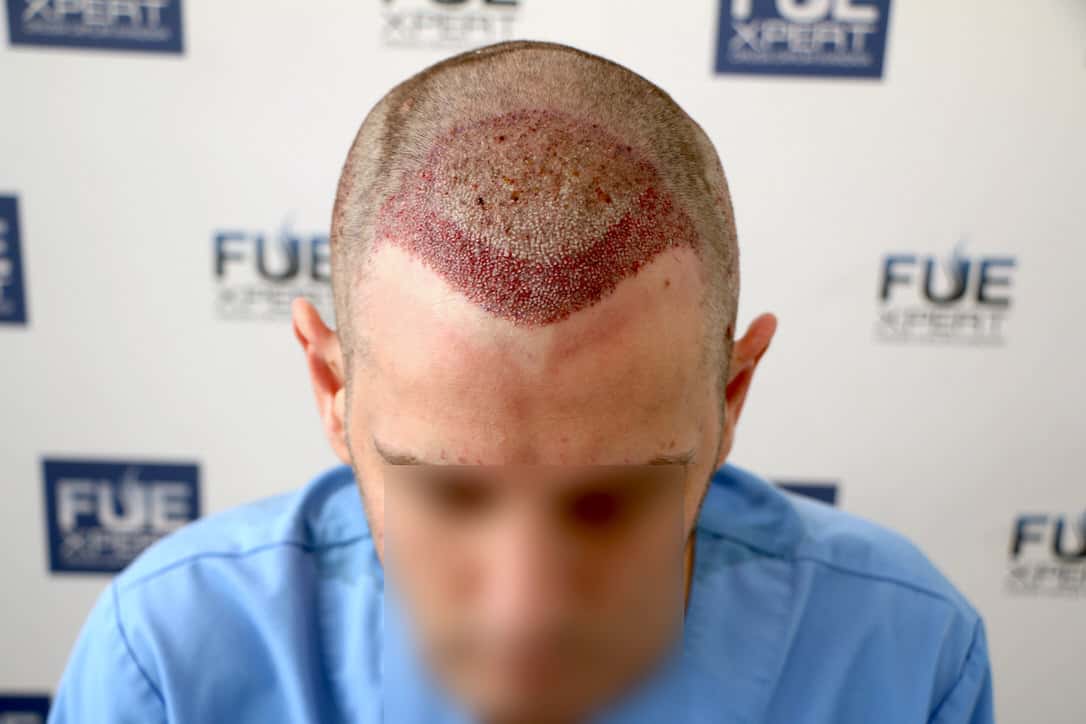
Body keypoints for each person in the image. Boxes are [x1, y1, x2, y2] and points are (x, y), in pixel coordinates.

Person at [48, 40, 994, 723]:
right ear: (333, 390)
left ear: (730, 400)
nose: (526, 608)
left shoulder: (904, 655)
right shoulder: (170, 663)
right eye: (450, 494)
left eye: (609, 502)